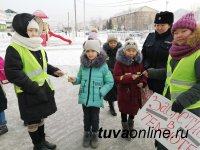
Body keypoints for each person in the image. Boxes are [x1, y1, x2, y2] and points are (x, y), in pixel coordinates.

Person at [4, 13, 64, 150]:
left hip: (41, 89)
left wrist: (54, 71)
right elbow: (13, 73)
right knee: (33, 122)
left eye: (36, 30)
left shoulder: (37, 46)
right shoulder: (15, 48)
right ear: (22, 30)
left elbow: (43, 66)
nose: (33, 33)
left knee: (41, 118)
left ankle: (42, 141)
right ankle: (37, 145)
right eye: (30, 30)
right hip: (28, 92)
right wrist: (33, 87)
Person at [157, 12, 200, 150]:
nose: (179, 35)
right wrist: (151, 72)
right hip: (170, 105)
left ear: (193, 32)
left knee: (182, 145)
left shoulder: (198, 53)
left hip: (189, 109)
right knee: (165, 142)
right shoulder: (175, 51)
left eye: (184, 31)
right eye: (175, 32)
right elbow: (172, 74)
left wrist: (183, 100)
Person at [68, 40, 114, 148]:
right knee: (86, 117)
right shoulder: (83, 66)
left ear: (98, 52)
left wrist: (101, 92)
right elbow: (79, 78)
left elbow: (110, 82)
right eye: (87, 51)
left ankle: (94, 134)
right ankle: (86, 133)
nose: (90, 53)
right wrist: (74, 79)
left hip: (96, 98)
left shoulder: (103, 67)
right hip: (84, 97)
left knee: (94, 117)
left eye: (93, 50)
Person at [113, 40, 147, 140]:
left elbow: (143, 74)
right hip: (124, 92)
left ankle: (130, 126)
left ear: (137, 52)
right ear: (124, 51)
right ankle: (125, 129)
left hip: (136, 92)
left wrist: (143, 82)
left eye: (133, 51)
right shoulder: (119, 63)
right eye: (129, 50)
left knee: (133, 110)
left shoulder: (139, 63)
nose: (131, 53)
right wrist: (129, 77)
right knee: (124, 111)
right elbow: (116, 77)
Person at [142, 11, 174, 94]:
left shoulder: (174, 39)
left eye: (162, 25)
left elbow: (174, 64)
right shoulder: (150, 37)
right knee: (146, 105)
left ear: (170, 25)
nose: (159, 27)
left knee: (160, 105)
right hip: (146, 79)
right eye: (156, 25)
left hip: (163, 82)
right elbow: (143, 55)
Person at [103, 34, 122, 116]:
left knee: (119, 90)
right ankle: (111, 106)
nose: (113, 44)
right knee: (110, 91)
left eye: (114, 42)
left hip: (118, 73)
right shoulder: (104, 51)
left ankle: (122, 106)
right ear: (108, 43)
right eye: (111, 42)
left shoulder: (121, 51)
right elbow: (102, 62)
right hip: (108, 73)